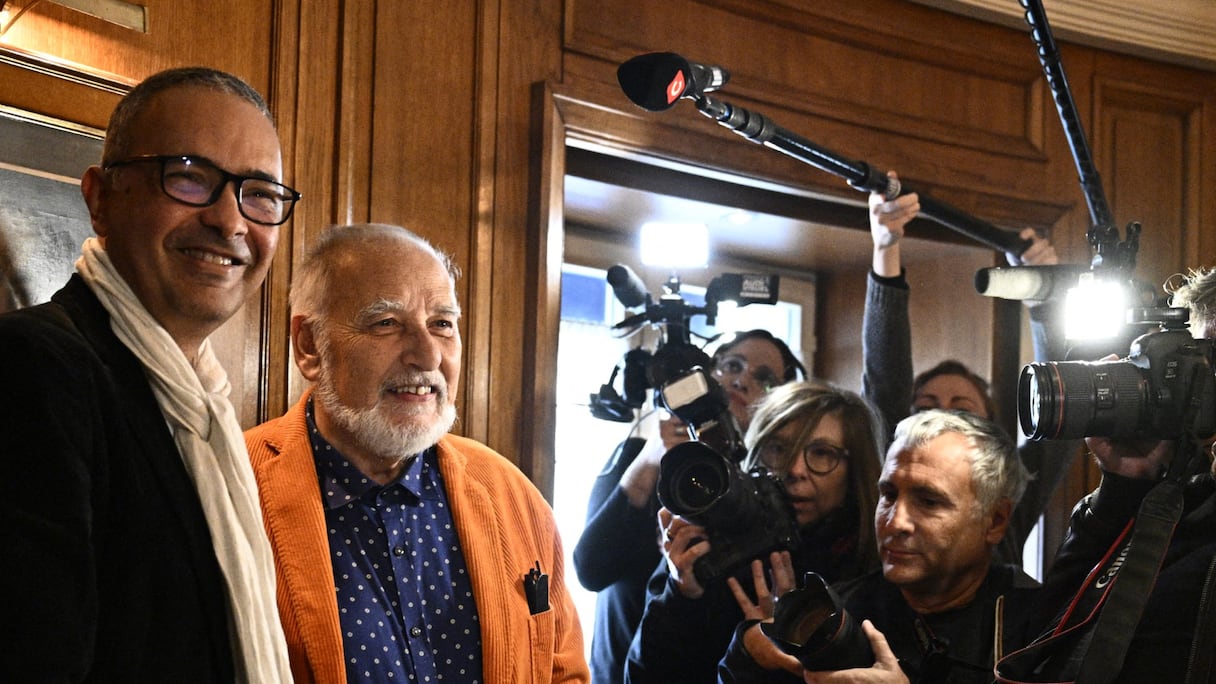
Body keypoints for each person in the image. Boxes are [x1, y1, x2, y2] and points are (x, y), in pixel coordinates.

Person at [0, 67, 296, 682]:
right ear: (101, 199)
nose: (230, 221)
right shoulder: (34, 369)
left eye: (260, 194)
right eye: (188, 176)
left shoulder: (203, 405)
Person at [244, 223, 589, 683]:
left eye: (442, 325)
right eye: (386, 323)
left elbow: (564, 671)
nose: (427, 357)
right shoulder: (231, 488)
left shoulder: (511, 494)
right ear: (310, 345)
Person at [996, 266, 1216, 683]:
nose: (1201, 388)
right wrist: (1120, 490)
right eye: (1197, 365)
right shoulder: (1173, 507)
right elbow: (1045, 648)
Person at [719, 409, 1038, 684]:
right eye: (889, 495)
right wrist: (745, 655)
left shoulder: (1040, 625)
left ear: (995, 521)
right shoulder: (838, 613)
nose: (896, 522)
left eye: (928, 501)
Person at [862, 172, 1079, 564]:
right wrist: (885, 249)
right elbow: (885, 379)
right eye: (925, 407)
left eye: (962, 409)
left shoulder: (1006, 493)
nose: (943, 418)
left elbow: (1061, 410)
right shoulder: (889, 476)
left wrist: (1044, 295)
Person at [574, 329, 805, 684]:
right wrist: (652, 456)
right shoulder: (635, 457)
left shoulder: (767, 487)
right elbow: (590, 569)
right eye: (733, 365)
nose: (741, 380)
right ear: (709, 373)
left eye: (764, 378)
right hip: (617, 669)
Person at [624, 381, 885, 684]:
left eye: (822, 453)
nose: (795, 469)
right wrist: (679, 597)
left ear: (855, 471)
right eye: (778, 448)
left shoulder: (872, 569)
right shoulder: (711, 542)